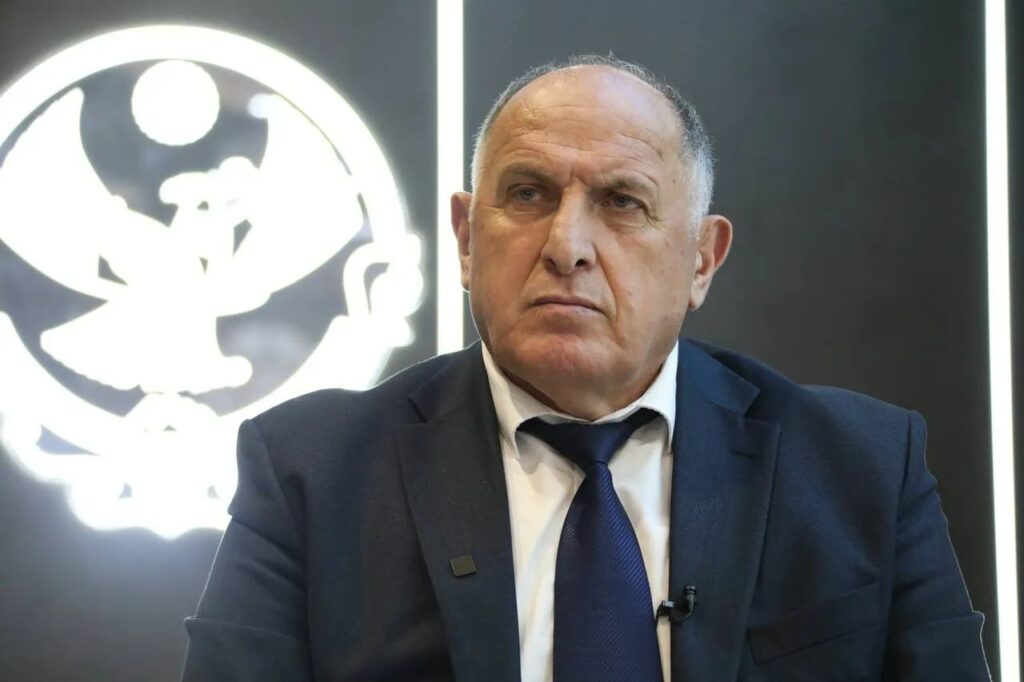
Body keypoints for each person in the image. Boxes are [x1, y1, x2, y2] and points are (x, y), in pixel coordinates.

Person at [181, 55, 990, 681]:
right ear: (465, 238)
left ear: (702, 259)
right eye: (527, 194)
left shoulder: (861, 468)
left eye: (622, 202)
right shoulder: (310, 473)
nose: (566, 246)